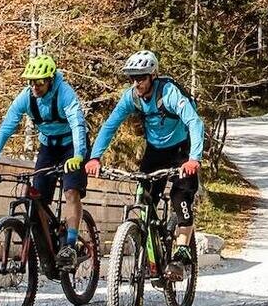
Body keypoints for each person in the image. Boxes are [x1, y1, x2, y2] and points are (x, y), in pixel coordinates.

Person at [85, 49, 204, 266]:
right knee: (145, 196)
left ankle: (183, 249)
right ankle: (151, 241)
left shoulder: (168, 93)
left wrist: (194, 158)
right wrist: (95, 157)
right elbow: (110, 125)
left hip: (181, 150)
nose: (137, 83)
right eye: (133, 78)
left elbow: (194, 122)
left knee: (180, 198)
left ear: (152, 76)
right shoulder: (131, 98)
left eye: (141, 77)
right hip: (155, 151)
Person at [0, 53, 89, 261]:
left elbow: (77, 124)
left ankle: (70, 246)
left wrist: (79, 155)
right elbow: (5, 129)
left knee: (71, 191)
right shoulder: (25, 98)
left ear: (50, 80)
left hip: (72, 146)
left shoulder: (65, 93)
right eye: (31, 82)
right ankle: (49, 246)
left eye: (39, 83)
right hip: (48, 146)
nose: (35, 87)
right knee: (38, 199)